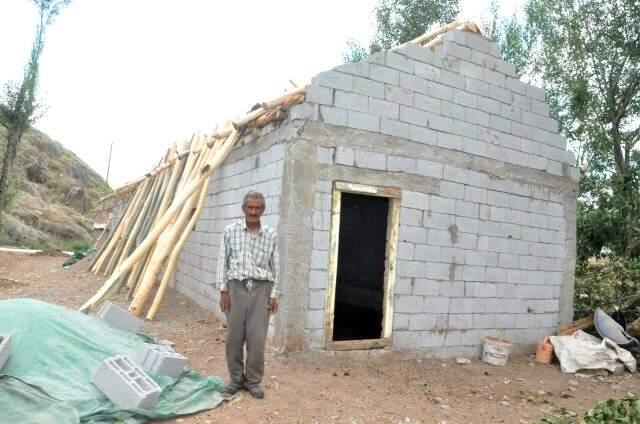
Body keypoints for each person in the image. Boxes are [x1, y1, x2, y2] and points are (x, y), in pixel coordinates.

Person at [215, 190, 280, 399]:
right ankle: (235, 380)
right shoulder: (230, 231)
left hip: (261, 290)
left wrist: (274, 295)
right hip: (235, 288)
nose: (253, 211)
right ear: (244, 209)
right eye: (250, 207)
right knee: (234, 338)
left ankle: (253, 381)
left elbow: (276, 266)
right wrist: (223, 290)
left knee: (257, 340)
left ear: (263, 210)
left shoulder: (270, 235)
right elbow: (222, 261)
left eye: (257, 208)